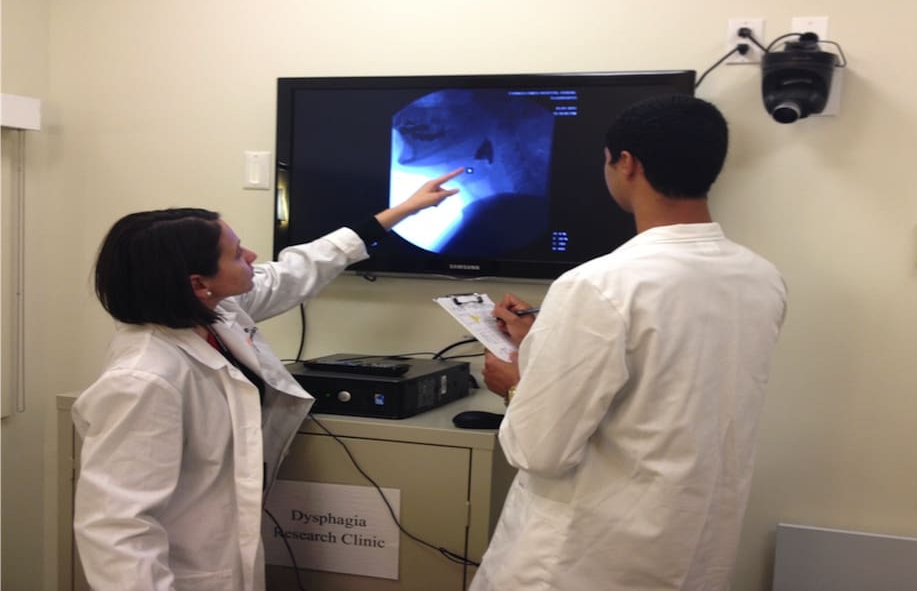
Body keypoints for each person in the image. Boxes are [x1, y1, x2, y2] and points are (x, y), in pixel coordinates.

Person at [71, 169, 462, 591]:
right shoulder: (143, 379)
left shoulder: (216, 313)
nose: (253, 256)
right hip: (182, 573)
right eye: (237, 254)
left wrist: (399, 212)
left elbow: (296, 271)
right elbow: (117, 528)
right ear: (198, 283)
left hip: (222, 551)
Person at [472, 95, 787, 590]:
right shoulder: (761, 278)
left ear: (626, 163)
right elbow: (669, 387)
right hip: (690, 550)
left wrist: (516, 384)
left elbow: (540, 450)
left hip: (580, 562)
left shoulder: (599, 284)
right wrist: (543, 347)